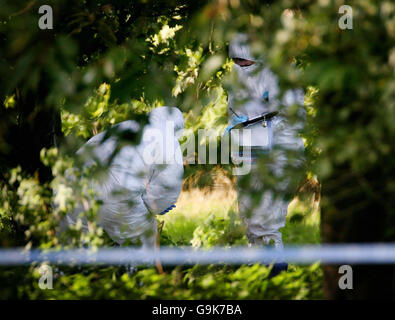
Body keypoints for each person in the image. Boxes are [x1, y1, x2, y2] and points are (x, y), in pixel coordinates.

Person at [226, 34, 306, 274]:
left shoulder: (280, 78)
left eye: (245, 63)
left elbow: (294, 118)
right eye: (237, 62)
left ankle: (276, 271)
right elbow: (234, 116)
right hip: (249, 152)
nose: (240, 67)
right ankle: (260, 270)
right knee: (250, 218)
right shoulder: (235, 80)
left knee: (266, 219)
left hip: (278, 153)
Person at [60, 106, 184, 250]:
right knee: (142, 248)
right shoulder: (169, 140)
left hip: (73, 186)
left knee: (72, 252)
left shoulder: (126, 126)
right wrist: (155, 207)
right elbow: (168, 187)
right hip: (119, 195)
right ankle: (134, 270)